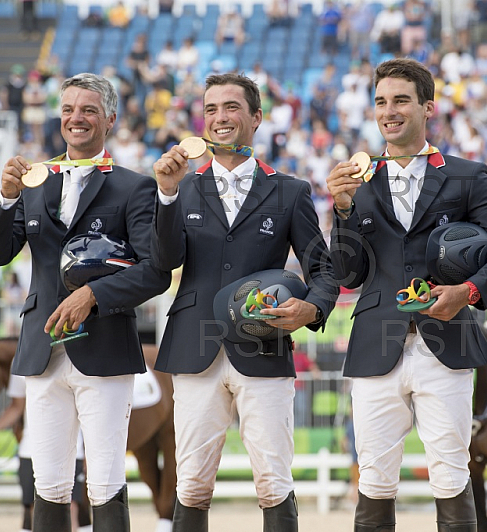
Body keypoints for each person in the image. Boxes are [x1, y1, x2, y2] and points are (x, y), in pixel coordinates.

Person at [326, 58, 487, 531]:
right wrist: (341, 210)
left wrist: (469, 291)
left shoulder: (466, 175)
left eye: (400, 100)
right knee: (373, 480)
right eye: (380, 102)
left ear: (428, 107)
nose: (388, 111)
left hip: (449, 343)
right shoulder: (356, 182)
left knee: (452, 475)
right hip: (376, 342)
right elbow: (347, 275)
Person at [0, 72, 171, 531]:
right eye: (67, 110)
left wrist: (93, 295)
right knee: (49, 482)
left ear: (110, 119)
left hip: (104, 348)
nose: (75, 118)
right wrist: (5, 199)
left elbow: (155, 270)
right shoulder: (34, 182)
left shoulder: (134, 187)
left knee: (104, 481)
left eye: (87, 110)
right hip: (42, 351)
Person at [151, 72, 338, 531]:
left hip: (265, 346)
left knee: (274, 481)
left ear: (256, 118)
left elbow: (324, 270)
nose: (220, 117)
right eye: (211, 109)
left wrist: (311, 308)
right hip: (194, 348)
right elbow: (163, 261)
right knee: (191, 484)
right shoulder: (179, 186)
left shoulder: (291, 191)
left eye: (231, 107)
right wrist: (167, 195)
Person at [0, 372, 92, 532]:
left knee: (71, 507)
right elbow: (17, 406)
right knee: (34, 508)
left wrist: (89, 450)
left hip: (73, 448)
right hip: (31, 449)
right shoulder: (21, 359)